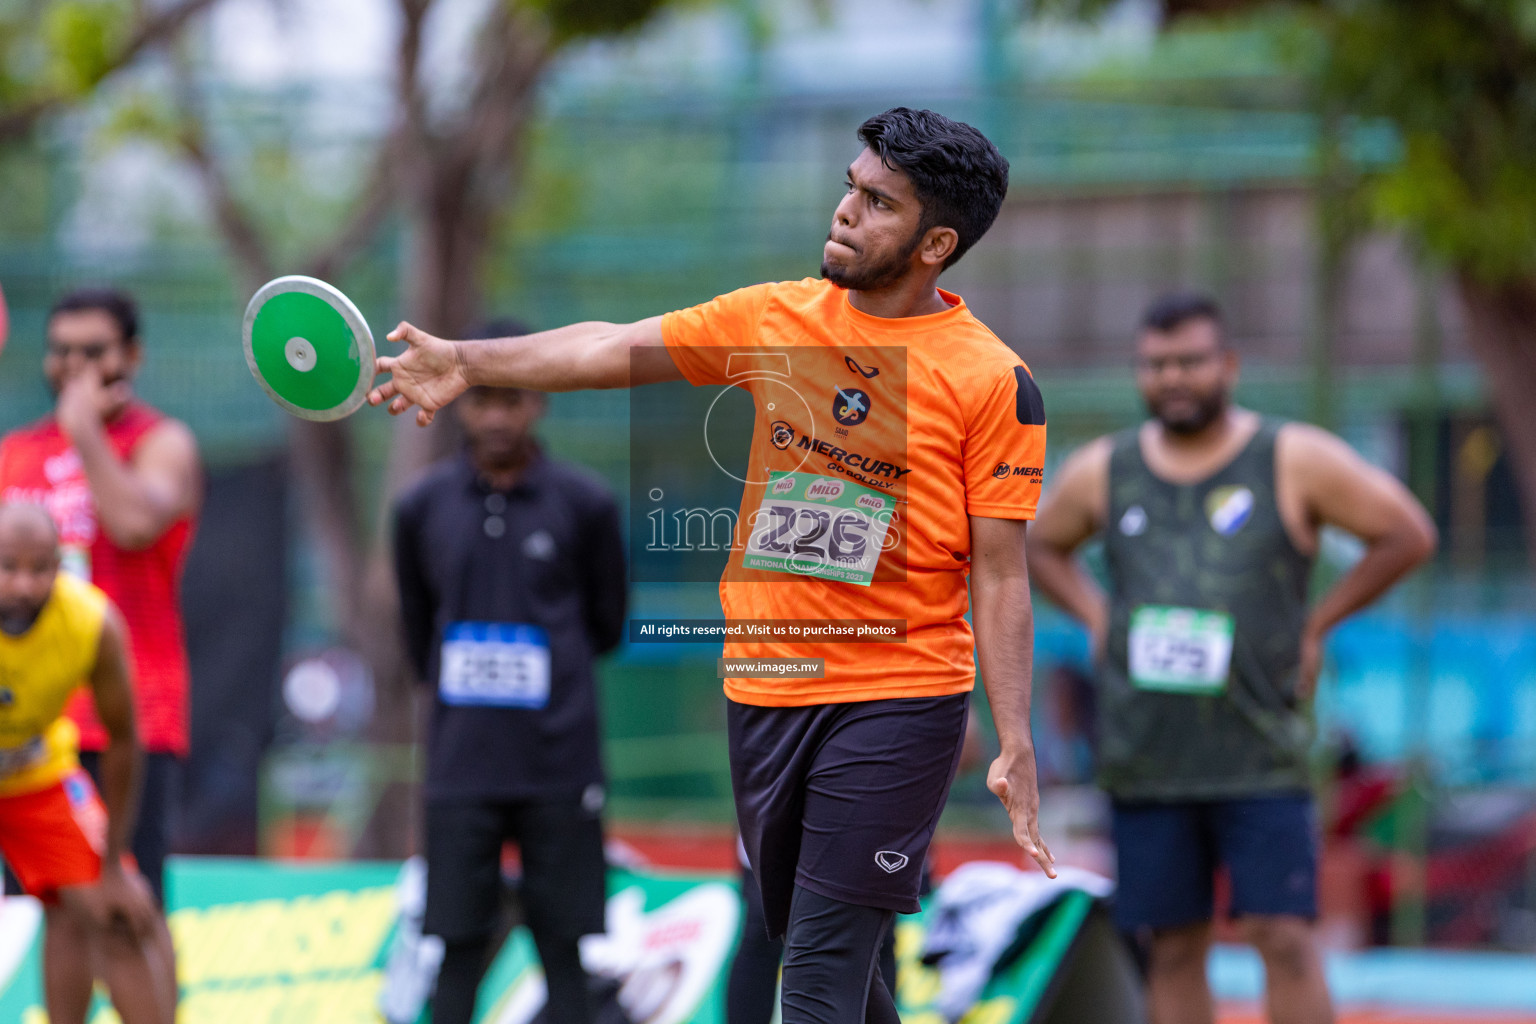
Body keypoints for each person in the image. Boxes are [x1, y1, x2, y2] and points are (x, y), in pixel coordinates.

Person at [371, 107, 1056, 1024]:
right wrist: (465, 358)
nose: (845, 211)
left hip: (898, 694)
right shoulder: (776, 317)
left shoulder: (991, 380)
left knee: (814, 969)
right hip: (766, 688)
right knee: (832, 956)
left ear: (936, 242)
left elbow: (1002, 575)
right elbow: (609, 346)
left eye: (877, 203)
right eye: (850, 186)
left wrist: (1013, 739)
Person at [1026, 292, 1437, 1024]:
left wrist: (1319, 624)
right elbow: (1040, 545)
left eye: (1189, 361)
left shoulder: (1291, 458)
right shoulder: (1104, 469)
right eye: (1155, 365)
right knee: (1174, 944)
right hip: (1147, 754)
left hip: (1260, 751)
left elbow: (1406, 534)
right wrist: (1095, 616)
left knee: (1281, 935)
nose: (1173, 378)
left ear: (1229, 365)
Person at [392, 330, 628, 1024]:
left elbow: (607, 624)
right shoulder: (421, 507)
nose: (497, 417)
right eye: (483, 400)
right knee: (458, 944)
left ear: (539, 402)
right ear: (461, 401)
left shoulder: (585, 504)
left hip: (559, 761)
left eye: (513, 400)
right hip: (462, 762)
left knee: (564, 944)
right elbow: (416, 630)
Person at [0, 286, 202, 912]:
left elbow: (135, 525)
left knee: (128, 909)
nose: (75, 369)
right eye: (61, 352)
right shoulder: (15, 454)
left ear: (132, 356)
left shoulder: (162, 443)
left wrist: (84, 431)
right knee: (45, 911)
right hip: (32, 722)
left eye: (94, 352)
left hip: (129, 718)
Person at [0, 503, 177, 1023]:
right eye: (7, 567)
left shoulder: (91, 624)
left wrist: (113, 862)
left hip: (37, 775)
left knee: (117, 912)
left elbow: (124, 738)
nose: (24, 586)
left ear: (62, 566)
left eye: (41, 569)